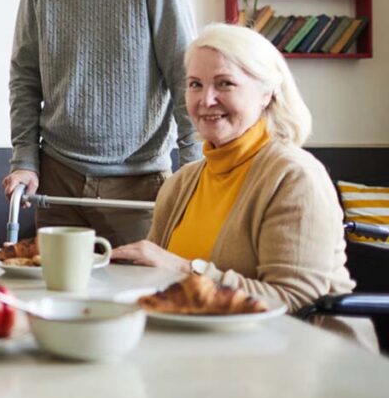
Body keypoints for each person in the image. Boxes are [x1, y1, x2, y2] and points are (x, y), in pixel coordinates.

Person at [3, 0, 201, 246]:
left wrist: (193, 164)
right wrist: (24, 160)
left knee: (138, 294)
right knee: (55, 297)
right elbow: (24, 77)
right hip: (57, 177)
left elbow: (184, 70)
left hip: (137, 184)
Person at [112, 23, 353, 313]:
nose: (206, 100)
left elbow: (292, 299)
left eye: (224, 83)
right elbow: (156, 281)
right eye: (195, 84)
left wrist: (186, 269)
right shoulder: (180, 183)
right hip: (202, 344)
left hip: (299, 349)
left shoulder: (294, 177)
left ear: (266, 94)